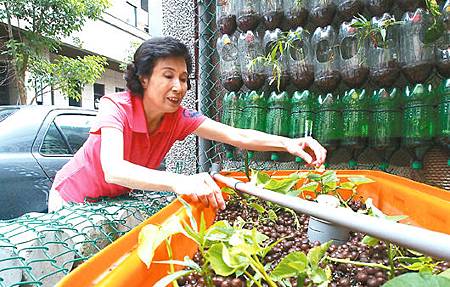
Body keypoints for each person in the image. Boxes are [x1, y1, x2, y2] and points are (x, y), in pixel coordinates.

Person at [48, 37, 327, 212]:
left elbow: (236, 135)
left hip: (111, 204)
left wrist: (289, 143)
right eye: (168, 76)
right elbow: (114, 169)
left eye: (183, 78)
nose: (178, 86)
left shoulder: (178, 118)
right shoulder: (115, 107)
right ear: (144, 78)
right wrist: (181, 182)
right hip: (72, 200)